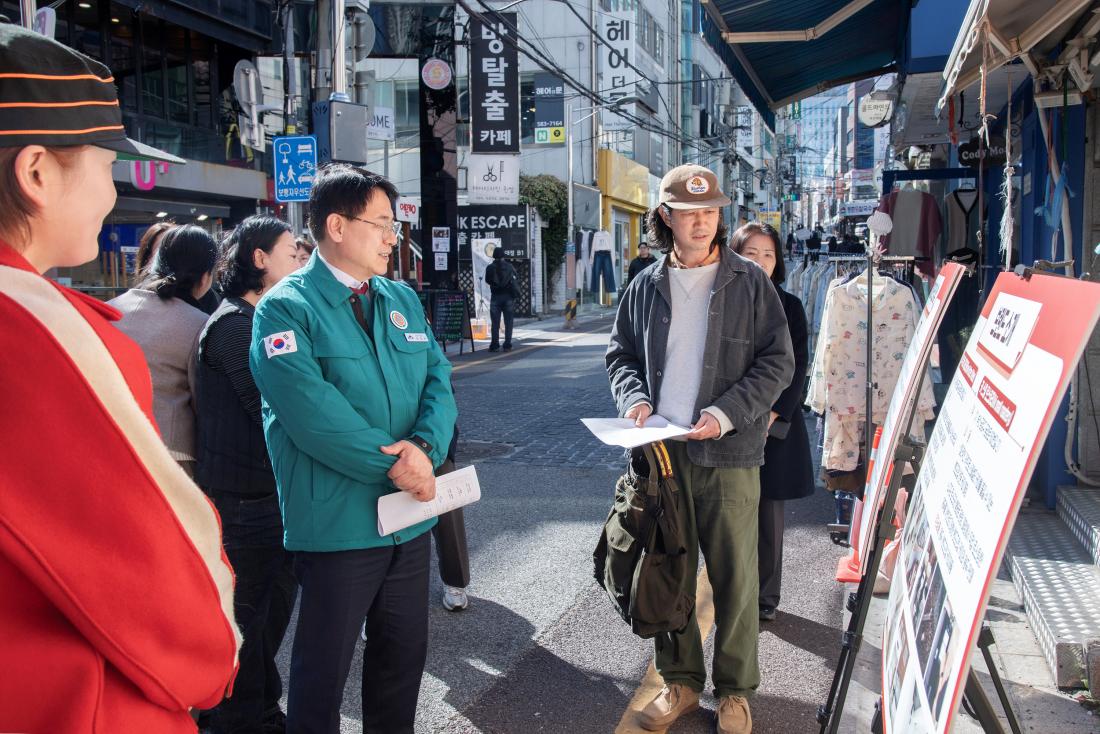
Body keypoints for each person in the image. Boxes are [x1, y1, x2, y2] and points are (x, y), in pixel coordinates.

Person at [0, 24, 239, 733]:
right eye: (107, 166)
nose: (112, 192)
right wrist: (218, 655)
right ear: (37, 173)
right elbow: (163, 589)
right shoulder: (36, 330)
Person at [249, 163, 457, 734]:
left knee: (401, 663)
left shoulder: (400, 297)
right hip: (338, 524)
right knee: (322, 676)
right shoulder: (285, 308)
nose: (393, 237)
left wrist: (424, 448)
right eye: (382, 224)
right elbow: (314, 417)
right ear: (337, 226)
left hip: (407, 521)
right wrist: (404, 466)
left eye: (394, 225)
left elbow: (438, 380)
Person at [606, 164, 794, 734]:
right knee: (669, 569)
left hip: (730, 453)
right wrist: (635, 399)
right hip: (662, 457)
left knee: (736, 579)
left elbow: (778, 362)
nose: (702, 222)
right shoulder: (645, 285)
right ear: (666, 216)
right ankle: (681, 682)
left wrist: (724, 414)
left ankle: (735, 692)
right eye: (689, 213)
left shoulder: (750, 282)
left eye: (710, 211)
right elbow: (620, 355)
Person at [194, 215, 302, 733]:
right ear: (259, 259)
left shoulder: (255, 319)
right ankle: (234, 720)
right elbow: (270, 409)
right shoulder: (233, 326)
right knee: (246, 623)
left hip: (268, 498)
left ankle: (260, 711)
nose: (299, 260)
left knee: (265, 621)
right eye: (290, 252)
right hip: (244, 503)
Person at [730, 223, 815, 622]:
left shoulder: (790, 305)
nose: (760, 261)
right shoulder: (723, 300)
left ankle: (765, 598)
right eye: (751, 253)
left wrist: (773, 416)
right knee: (727, 515)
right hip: (727, 423)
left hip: (771, 428)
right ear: (735, 254)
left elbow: (796, 367)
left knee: (767, 516)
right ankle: (732, 591)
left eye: (768, 254)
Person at [109, 225, 217, 476]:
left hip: (108, 439)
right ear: (205, 277)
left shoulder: (110, 309)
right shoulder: (199, 324)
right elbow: (204, 402)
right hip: (170, 452)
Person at [484, 246, 517, 352]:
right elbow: (515, 278)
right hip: (508, 297)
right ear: (503, 255)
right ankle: (507, 345)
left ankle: (495, 345)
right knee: (509, 322)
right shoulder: (510, 267)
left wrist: (495, 284)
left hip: (495, 297)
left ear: (494, 255)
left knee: (495, 323)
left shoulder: (490, 267)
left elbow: (487, 280)